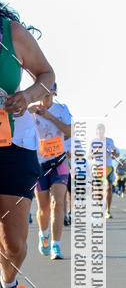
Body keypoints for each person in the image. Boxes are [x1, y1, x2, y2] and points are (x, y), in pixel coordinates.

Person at [0, 0, 55, 288]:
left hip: (13, 145)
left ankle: (8, 284)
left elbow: (47, 75)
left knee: (14, 243)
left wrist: (28, 95)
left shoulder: (12, 33)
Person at [31, 83, 72, 261]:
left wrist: (49, 116)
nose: (46, 96)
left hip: (59, 162)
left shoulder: (62, 110)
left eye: (50, 93)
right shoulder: (31, 111)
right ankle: (43, 234)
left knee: (58, 203)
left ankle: (56, 245)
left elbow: (69, 131)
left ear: (54, 92)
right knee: (43, 208)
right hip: (40, 165)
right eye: (43, 93)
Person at [89, 124, 119, 219]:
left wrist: (114, 153)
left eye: (102, 130)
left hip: (108, 167)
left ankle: (107, 210)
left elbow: (117, 154)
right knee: (98, 190)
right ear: (96, 131)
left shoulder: (109, 141)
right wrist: (96, 151)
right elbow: (89, 156)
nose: (100, 132)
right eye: (98, 130)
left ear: (104, 131)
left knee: (108, 188)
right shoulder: (93, 142)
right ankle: (100, 208)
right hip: (97, 167)